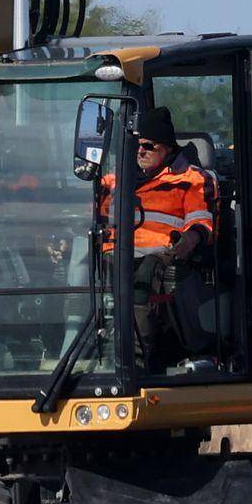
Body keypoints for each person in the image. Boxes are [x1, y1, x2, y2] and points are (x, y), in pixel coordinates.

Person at [99, 107, 220, 372]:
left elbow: (201, 223)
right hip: (111, 254)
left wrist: (189, 241)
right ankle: (74, 345)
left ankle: (139, 362)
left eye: (147, 146)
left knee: (143, 277)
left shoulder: (192, 180)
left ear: (166, 148)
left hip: (161, 256)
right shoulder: (114, 180)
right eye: (135, 145)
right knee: (77, 266)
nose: (139, 151)